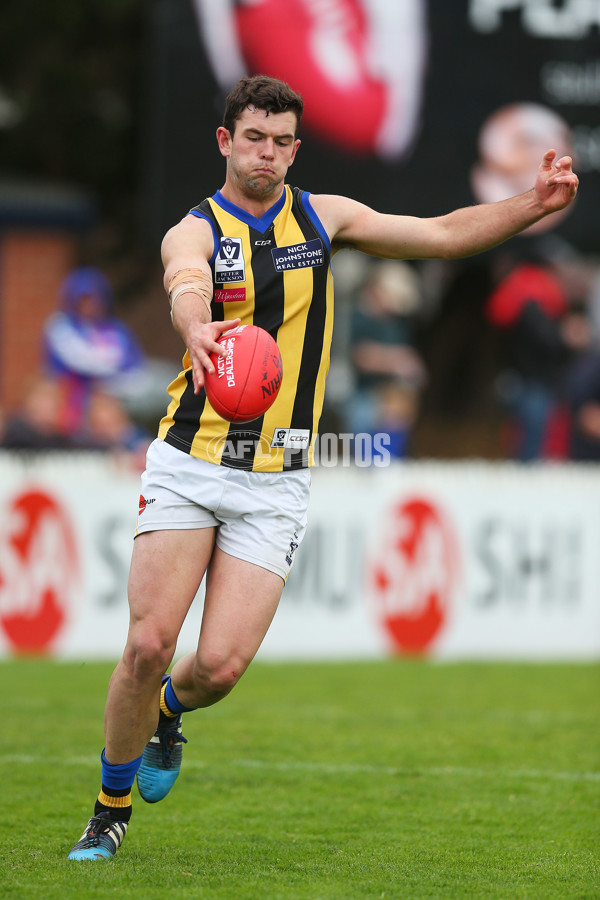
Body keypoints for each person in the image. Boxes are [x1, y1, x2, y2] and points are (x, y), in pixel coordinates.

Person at [67, 74, 578, 860]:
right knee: (146, 643)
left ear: (294, 148)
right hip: (191, 458)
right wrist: (197, 326)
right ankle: (108, 812)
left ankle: (169, 711)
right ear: (225, 142)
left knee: (221, 667)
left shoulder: (324, 218)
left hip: (277, 477)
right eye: (253, 139)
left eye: (280, 142)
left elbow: (441, 233)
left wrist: (531, 207)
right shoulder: (194, 229)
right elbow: (184, 282)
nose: (266, 154)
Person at [43, 267, 148, 435]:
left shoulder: (117, 330)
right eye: (83, 299)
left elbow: (136, 372)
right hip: (69, 404)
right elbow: (80, 360)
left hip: (108, 404)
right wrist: (111, 367)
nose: (89, 305)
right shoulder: (59, 326)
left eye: (94, 299)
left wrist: (110, 385)